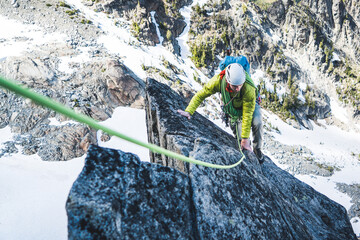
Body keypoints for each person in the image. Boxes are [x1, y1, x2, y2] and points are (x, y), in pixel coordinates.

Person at [178, 63, 264, 164]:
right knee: (240, 140)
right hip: (232, 111)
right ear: (227, 80)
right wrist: (189, 111)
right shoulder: (218, 81)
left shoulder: (248, 88)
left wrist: (245, 139)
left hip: (250, 106)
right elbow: (201, 94)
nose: (238, 89)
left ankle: (257, 149)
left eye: (240, 85)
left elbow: (247, 113)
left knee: (257, 122)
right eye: (235, 86)